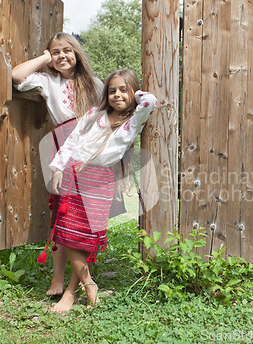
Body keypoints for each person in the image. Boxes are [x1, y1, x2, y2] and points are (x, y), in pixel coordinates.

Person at [48, 69, 157, 312]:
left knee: (84, 237)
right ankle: (88, 283)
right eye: (112, 90)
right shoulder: (93, 115)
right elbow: (72, 141)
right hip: (73, 175)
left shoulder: (131, 122)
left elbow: (150, 101)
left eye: (123, 90)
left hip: (99, 180)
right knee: (67, 232)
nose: (117, 94)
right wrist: (57, 167)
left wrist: (135, 93)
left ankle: (72, 290)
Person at [12, 32, 105, 297]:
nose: (62, 56)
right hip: (63, 147)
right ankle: (57, 280)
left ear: (77, 54)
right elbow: (16, 76)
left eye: (68, 50)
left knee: (83, 216)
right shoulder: (47, 81)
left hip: (90, 150)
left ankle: (83, 280)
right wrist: (44, 57)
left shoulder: (95, 84)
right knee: (62, 214)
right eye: (56, 52)